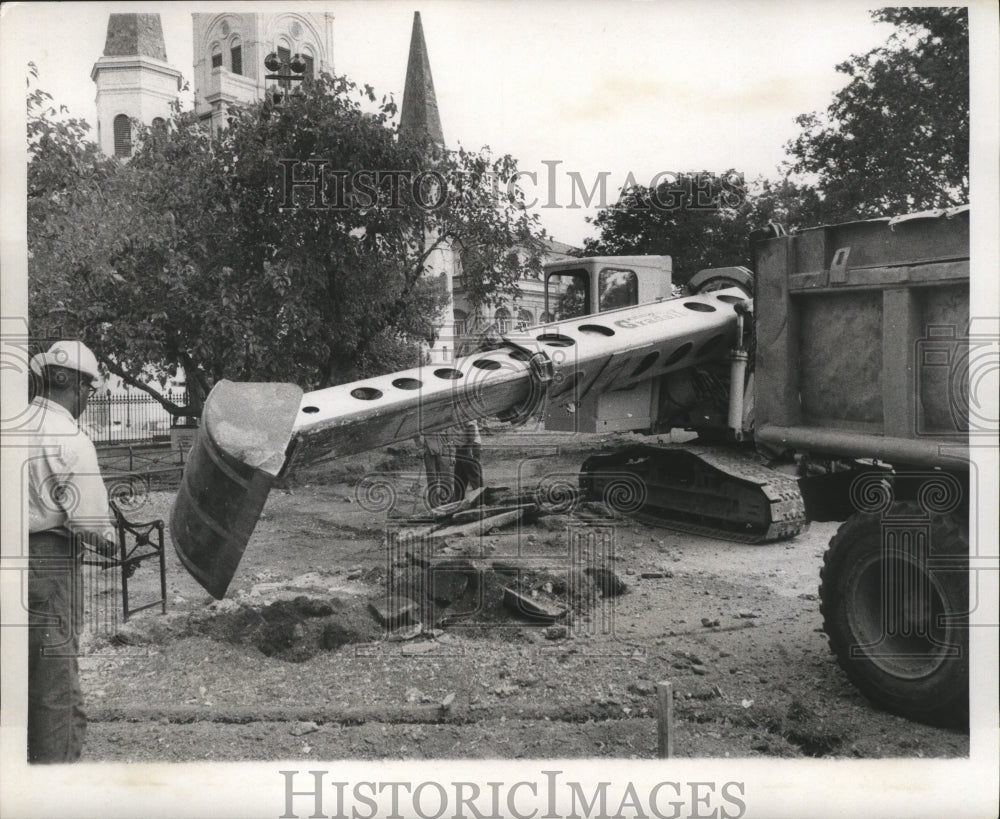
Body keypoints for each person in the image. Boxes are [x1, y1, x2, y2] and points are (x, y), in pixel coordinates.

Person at [26, 340, 116, 763]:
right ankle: (53, 781)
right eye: (88, 389)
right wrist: (114, 544)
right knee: (54, 676)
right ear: (74, 385)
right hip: (47, 563)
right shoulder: (69, 437)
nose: (86, 399)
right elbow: (91, 524)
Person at [453, 419, 483, 499]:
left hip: (468, 444)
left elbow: (471, 428)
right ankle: (458, 499)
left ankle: (480, 498)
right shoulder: (453, 410)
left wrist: (469, 446)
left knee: (473, 473)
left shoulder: (463, 409)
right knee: (459, 474)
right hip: (461, 445)